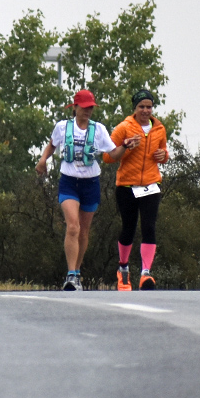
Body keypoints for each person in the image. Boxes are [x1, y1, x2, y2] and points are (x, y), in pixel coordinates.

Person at [37, 90, 136, 291]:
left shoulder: (98, 130)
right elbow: (52, 145)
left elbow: (113, 154)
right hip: (69, 182)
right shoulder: (63, 127)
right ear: (75, 107)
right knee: (73, 227)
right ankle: (71, 275)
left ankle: (77, 272)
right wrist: (42, 160)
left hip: (90, 183)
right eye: (84, 107)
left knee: (83, 231)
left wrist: (125, 146)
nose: (88, 111)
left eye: (90, 107)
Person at [105, 89, 169, 291]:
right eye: (141, 106)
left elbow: (164, 153)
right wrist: (125, 146)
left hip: (151, 184)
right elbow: (108, 157)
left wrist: (163, 156)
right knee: (128, 228)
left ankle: (146, 273)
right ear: (135, 108)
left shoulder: (159, 129)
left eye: (149, 106)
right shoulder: (124, 127)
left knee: (149, 227)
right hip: (127, 186)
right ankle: (123, 270)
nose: (145, 110)